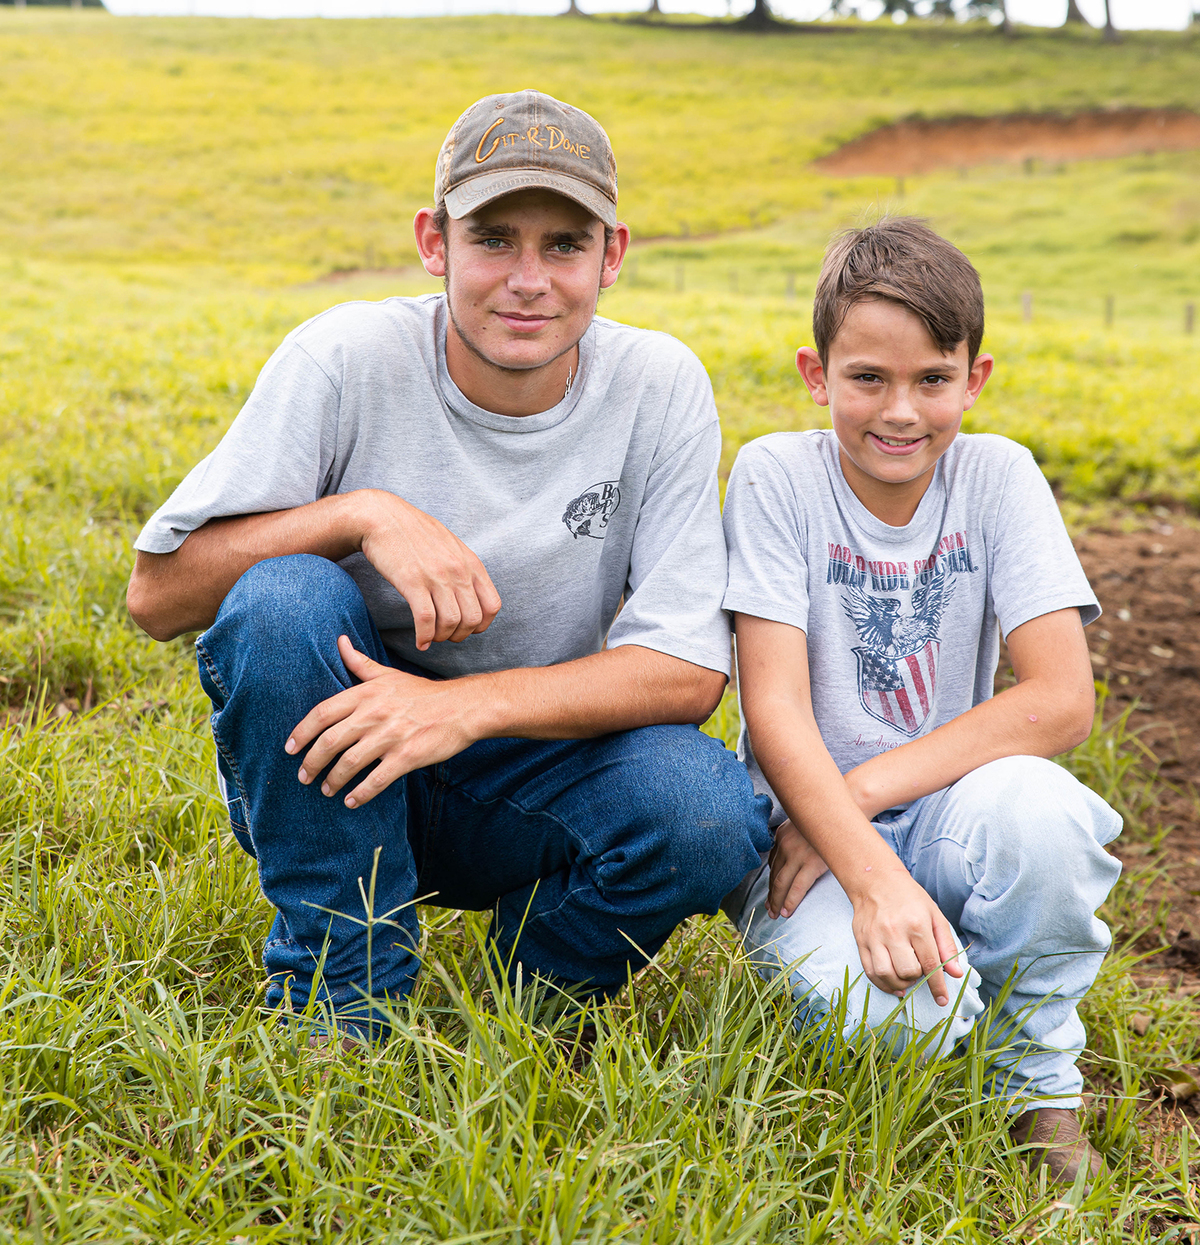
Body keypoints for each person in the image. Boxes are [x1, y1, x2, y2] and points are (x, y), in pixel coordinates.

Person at [127, 89, 771, 1041]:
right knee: (282, 598)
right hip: (338, 761)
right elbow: (158, 596)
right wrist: (358, 514)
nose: (528, 278)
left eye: (564, 245)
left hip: (532, 767)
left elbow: (686, 670)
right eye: (495, 238)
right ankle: (344, 1001)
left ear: (613, 256)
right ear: (435, 243)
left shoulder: (658, 386)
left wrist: (456, 709)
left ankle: (527, 1002)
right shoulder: (345, 357)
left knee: (708, 809)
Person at [721, 217, 1121, 1189]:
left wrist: (859, 800)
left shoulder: (998, 478)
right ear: (817, 376)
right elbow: (773, 712)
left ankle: (1038, 1088)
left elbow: (1063, 699)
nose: (901, 412)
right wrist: (862, 868)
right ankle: (932, 980)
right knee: (901, 1028)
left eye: (932, 381)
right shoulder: (778, 477)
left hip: (932, 811)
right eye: (868, 379)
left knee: (1049, 816)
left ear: (972, 379)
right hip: (795, 843)